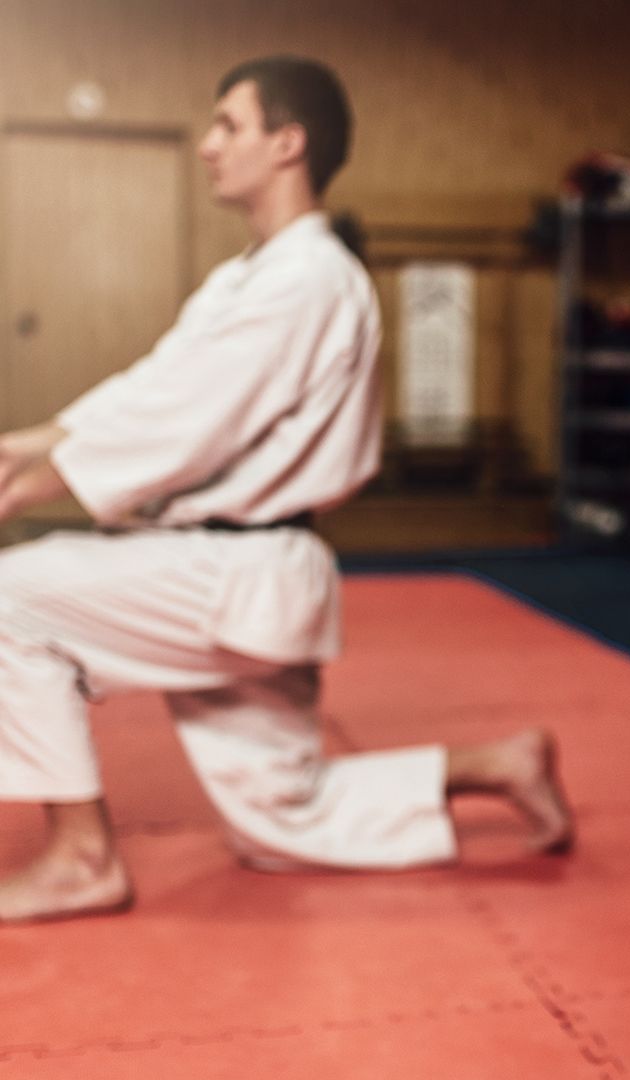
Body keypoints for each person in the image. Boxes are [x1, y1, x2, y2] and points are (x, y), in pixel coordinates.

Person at [0, 56, 572, 925]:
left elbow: (184, 425)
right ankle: (498, 765)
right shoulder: (249, 276)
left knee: (9, 601)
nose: (206, 146)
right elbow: (147, 391)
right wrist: (22, 450)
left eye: (228, 124)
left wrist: (26, 488)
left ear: (287, 142)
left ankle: (81, 858)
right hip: (236, 571)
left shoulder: (309, 279)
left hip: (237, 570)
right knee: (281, 814)